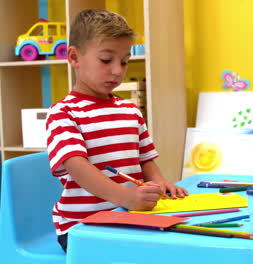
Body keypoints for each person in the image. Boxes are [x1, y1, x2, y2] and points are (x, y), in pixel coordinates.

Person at [46, 8, 188, 252]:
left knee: (179, 245)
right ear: (74, 57)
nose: (117, 70)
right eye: (106, 60)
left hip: (126, 218)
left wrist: (160, 182)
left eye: (124, 61)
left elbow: (145, 160)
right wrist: (127, 198)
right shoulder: (63, 113)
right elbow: (78, 168)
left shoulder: (130, 110)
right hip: (81, 227)